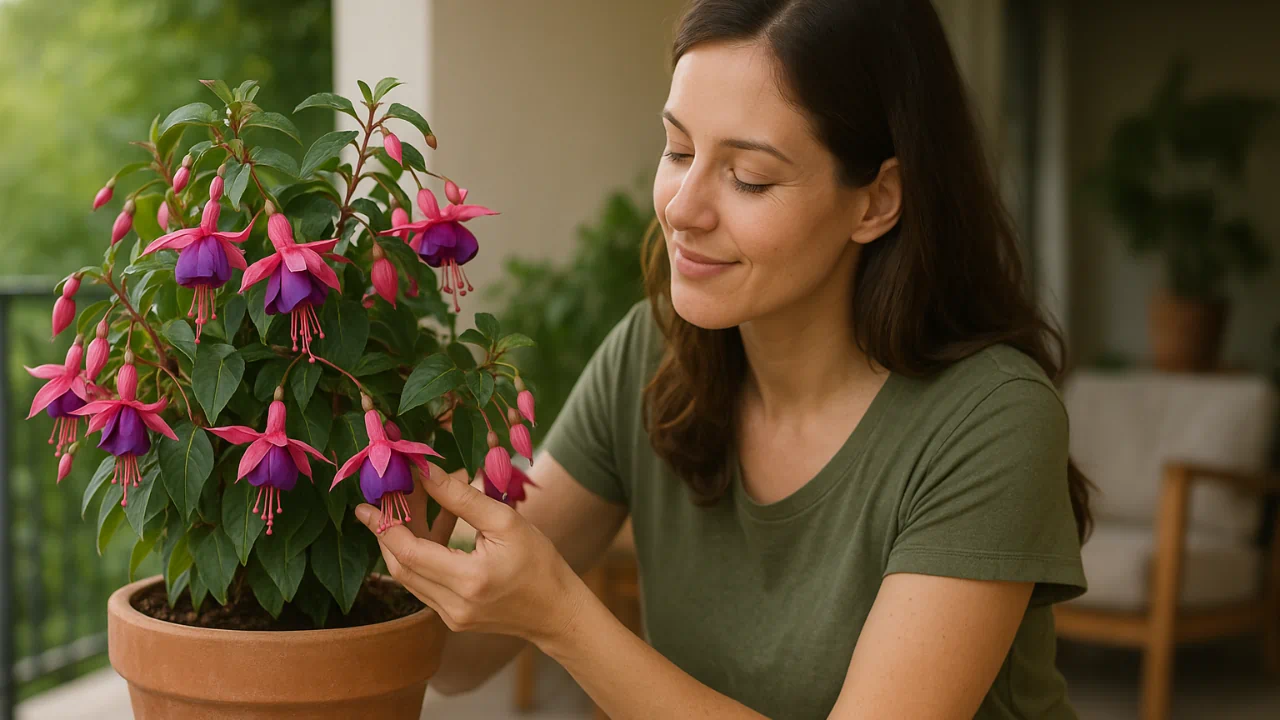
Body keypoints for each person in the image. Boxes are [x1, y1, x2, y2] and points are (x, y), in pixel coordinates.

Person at [354, 0, 1091, 717]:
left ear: (877, 201)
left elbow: (544, 613)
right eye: (677, 150)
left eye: (749, 177)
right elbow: (457, 660)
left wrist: (562, 618)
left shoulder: (991, 422)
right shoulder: (653, 354)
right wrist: (418, 546)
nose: (681, 206)